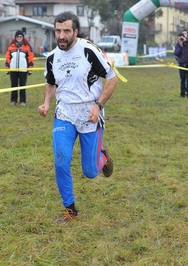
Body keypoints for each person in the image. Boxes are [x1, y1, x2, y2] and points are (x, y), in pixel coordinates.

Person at [37, 11, 117, 223]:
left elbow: (112, 78)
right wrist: (46, 102)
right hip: (64, 113)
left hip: (89, 112)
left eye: (66, 31)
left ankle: (103, 157)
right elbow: (50, 82)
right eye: (58, 31)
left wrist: (98, 105)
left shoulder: (89, 51)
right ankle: (70, 210)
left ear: (75, 31)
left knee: (90, 172)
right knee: (61, 161)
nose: (61, 36)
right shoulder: (53, 57)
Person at [5, 30, 34, 106]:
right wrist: (7, 68)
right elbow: (8, 58)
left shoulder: (27, 47)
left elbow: (30, 58)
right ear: (15, 37)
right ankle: (13, 100)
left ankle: (22, 101)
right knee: (13, 85)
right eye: (17, 36)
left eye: (20, 36)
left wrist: (30, 68)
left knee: (22, 85)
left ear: (23, 37)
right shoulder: (11, 47)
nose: (19, 38)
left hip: (23, 69)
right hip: (13, 69)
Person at [174, 32, 188, 97]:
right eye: (179, 38)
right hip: (182, 63)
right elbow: (176, 53)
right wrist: (180, 46)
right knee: (182, 79)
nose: (181, 39)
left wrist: (186, 41)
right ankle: (182, 92)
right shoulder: (177, 45)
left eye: (182, 38)